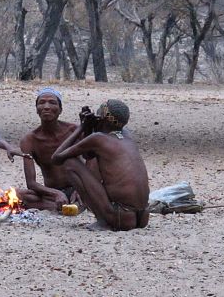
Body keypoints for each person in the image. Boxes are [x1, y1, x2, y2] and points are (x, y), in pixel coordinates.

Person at [52, 99, 150, 231]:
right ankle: (106, 218)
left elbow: (57, 158)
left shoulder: (98, 139)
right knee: (93, 163)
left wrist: (81, 127)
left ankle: (103, 221)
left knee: (70, 163)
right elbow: (88, 155)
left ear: (102, 119)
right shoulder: (127, 135)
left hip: (121, 217)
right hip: (142, 217)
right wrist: (89, 130)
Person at [17, 87, 80, 212]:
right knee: (19, 194)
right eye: (42, 102)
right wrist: (56, 194)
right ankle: (66, 205)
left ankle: (73, 202)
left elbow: (92, 162)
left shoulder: (74, 131)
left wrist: (81, 189)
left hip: (80, 187)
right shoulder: (29, 140)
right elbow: (31, 183)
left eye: (52, 102)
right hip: (51, 193)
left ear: (60, 110)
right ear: (37, 110)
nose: (46, 107)